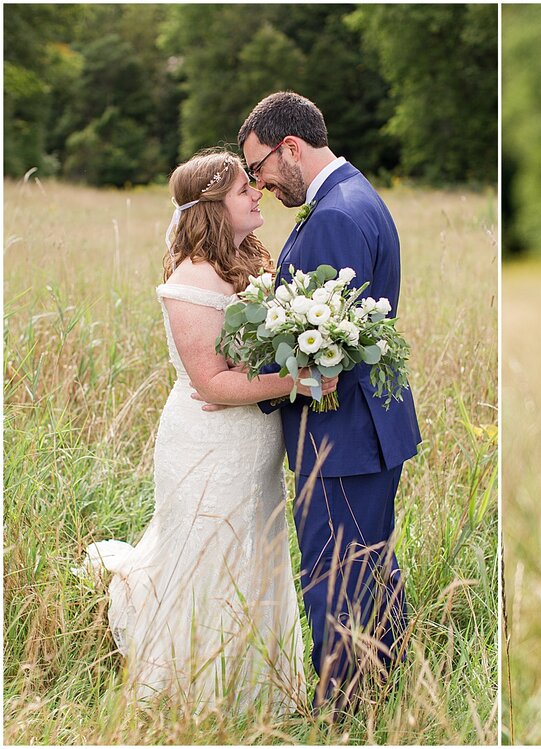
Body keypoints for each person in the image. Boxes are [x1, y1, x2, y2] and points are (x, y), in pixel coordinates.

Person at [76, 149, 337, 712]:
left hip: (254, 444)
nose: (257, 193)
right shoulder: (192, 280)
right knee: (209, 553)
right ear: (214, 207)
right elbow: (213, 384)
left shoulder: (253, 265)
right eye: (245, 187)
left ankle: (256, 685)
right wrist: (301, 383)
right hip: (207, 444)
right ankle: (194, 691)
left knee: (254, 552)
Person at [234, 91, 422, 712]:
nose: (259, 183)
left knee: (335, 575)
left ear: (291, 147)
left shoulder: (337, 215)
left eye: (258, 165)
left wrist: (247, 380)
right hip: (363, 432)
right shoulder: (352, 196)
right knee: (369, 567)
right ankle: (383, 695)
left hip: (341, 434)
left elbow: (325, 356)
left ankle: (341, 711)